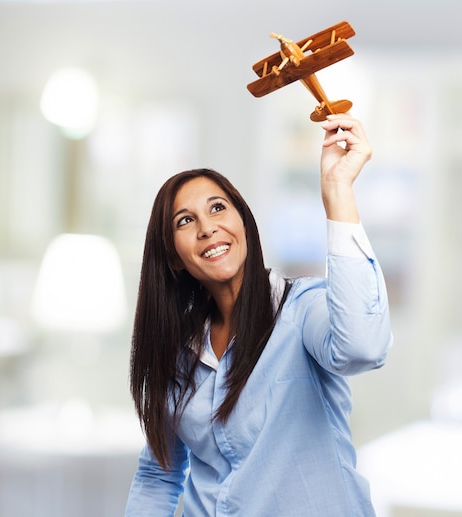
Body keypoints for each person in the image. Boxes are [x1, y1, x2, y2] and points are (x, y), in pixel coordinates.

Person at [125, 113, 393, 516]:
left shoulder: (301, 309)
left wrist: (337, 191)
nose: (207, 228)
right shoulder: (179, 356)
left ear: (243, 223)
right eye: (186, 221)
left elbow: (363, 348)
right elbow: (157, 475)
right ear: (173, 257)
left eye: (218, 208)